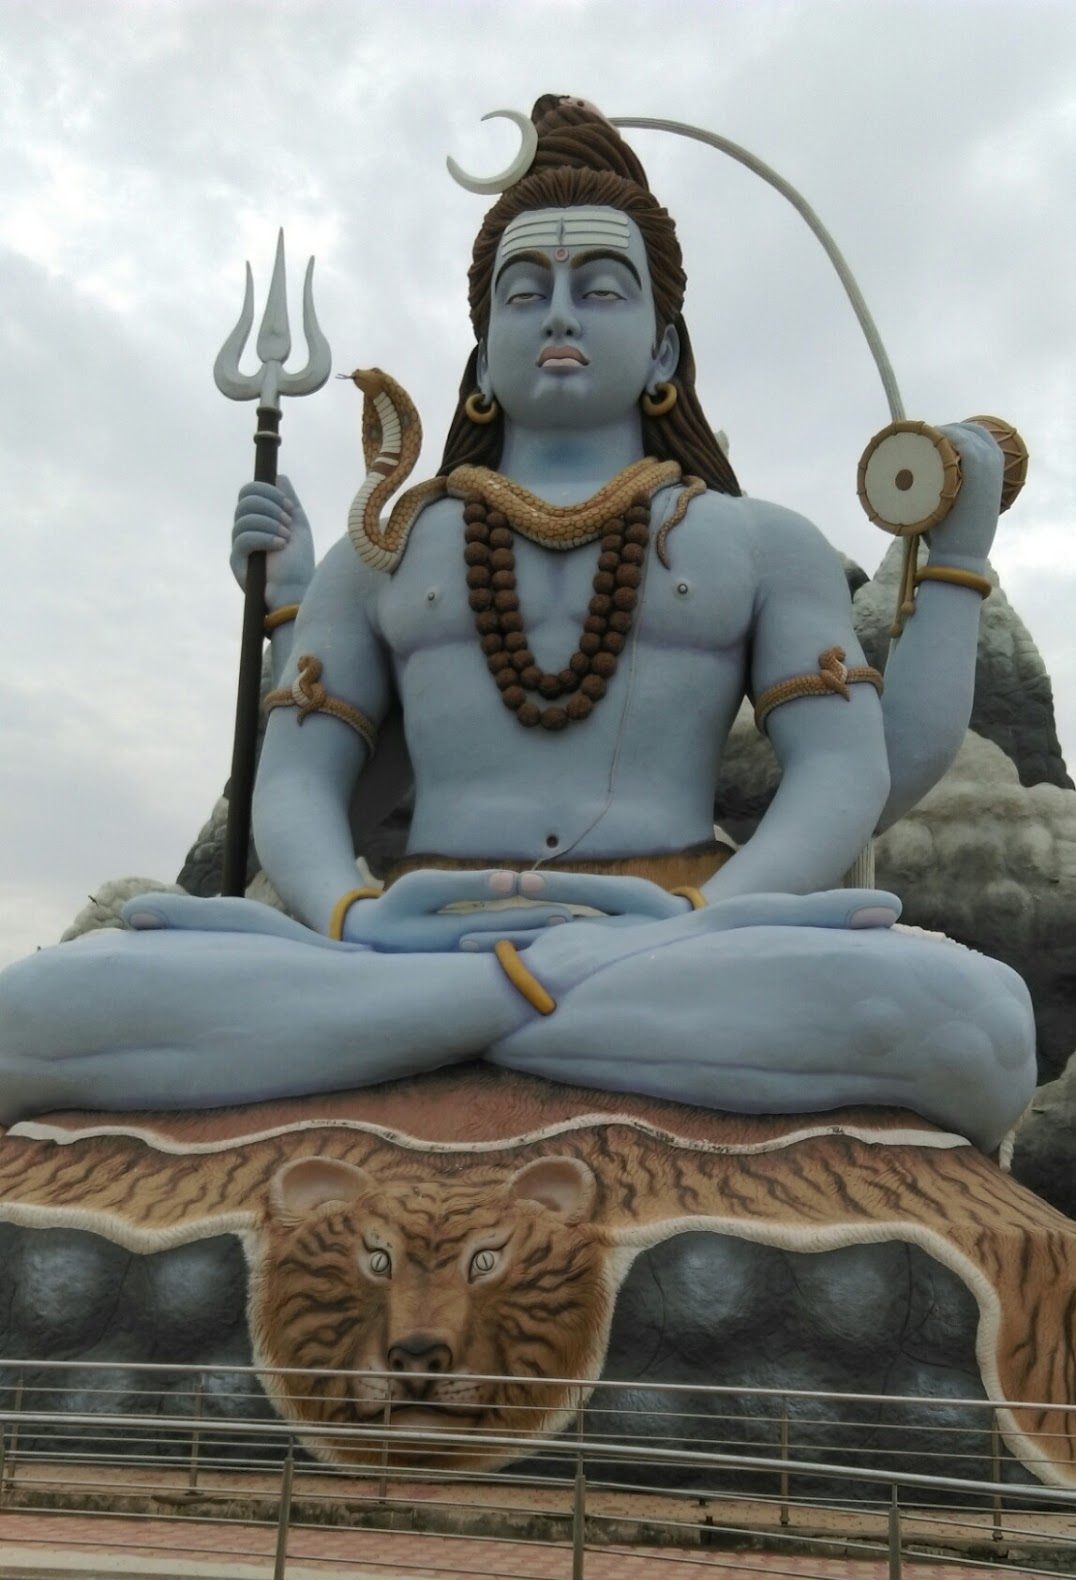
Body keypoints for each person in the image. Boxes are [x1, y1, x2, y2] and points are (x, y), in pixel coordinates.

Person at [0, 99, 1035, 1148]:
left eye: (600, 289)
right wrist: (353, 912)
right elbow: (301, 784)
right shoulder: (384, 550)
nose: (559, 317)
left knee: (979, 1022)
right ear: (484, 355)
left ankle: (416, 1027)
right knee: (31, 1009)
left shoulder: (761, 543)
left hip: (675, 932)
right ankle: (526, 1012)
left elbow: (849, 773)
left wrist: (699, 915)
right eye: (525, 292)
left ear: (663, 348)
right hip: (417, 931)